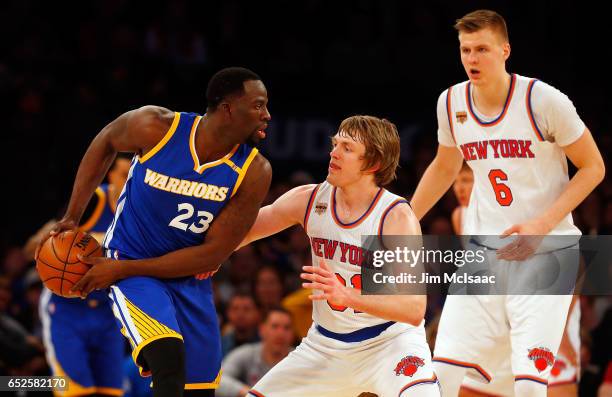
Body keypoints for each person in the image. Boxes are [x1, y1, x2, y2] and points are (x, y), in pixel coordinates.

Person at [39, 67, 273, 397]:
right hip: (129, 273)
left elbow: (213, 253)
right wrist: (72, 216)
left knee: (197, 389)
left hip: (184, 279)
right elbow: (106, 139)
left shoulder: (254, 171)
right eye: (258, 105)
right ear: (228, 108)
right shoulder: (158, 127)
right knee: (167, 362)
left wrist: (121, 269)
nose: (267, 115)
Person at [409, 9, 605, 397]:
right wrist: (404, 218)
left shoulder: (543, 100)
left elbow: (594, 167)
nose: (472, 59)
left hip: (548, 250)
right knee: (441, 374)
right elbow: (446, 165)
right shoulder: (451, 102)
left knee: (530, 388)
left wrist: (542, 223)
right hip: (485, 254)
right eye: (465, 50)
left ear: (505, 50)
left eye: (482, 49)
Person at [241, 115, 440, 396]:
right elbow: (243, 232)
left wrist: (347, 296)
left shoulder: (395, 216)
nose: (333, 152)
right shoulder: (310, 199)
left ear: (372, 163)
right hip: (325, 346)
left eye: (347, 148)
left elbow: (414, 308)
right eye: (336, 144)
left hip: (389, 344)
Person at [32, 156, 131, 397]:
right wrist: (96, 245)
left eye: (134, 174)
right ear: (110, 175)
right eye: (123, 173)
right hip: (67, 308)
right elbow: (45, 240)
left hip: (108, 311)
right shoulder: (94, 200)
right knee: (74, 390)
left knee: (110, 391)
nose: (130, 179)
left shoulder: (143, 207)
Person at [217, 307, 294, 397]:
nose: (281, 333)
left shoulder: (301, 358)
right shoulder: (247, 353)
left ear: (293, 333)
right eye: (275, 326)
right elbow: (219, 380)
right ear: (262, 330)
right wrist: (251, 394)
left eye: (287, 328)